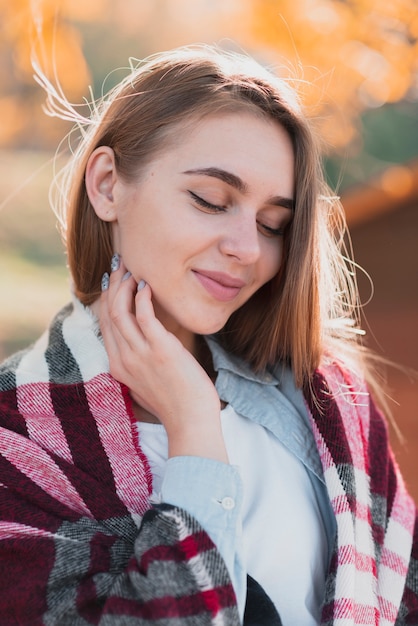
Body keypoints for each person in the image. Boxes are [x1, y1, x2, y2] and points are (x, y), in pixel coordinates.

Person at [0, 44, 416, 626]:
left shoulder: (329, 402)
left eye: (274, 224)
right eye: (210, 200)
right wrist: (194, 427)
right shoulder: (17, 438)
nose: (247, 249)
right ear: (107, 185)